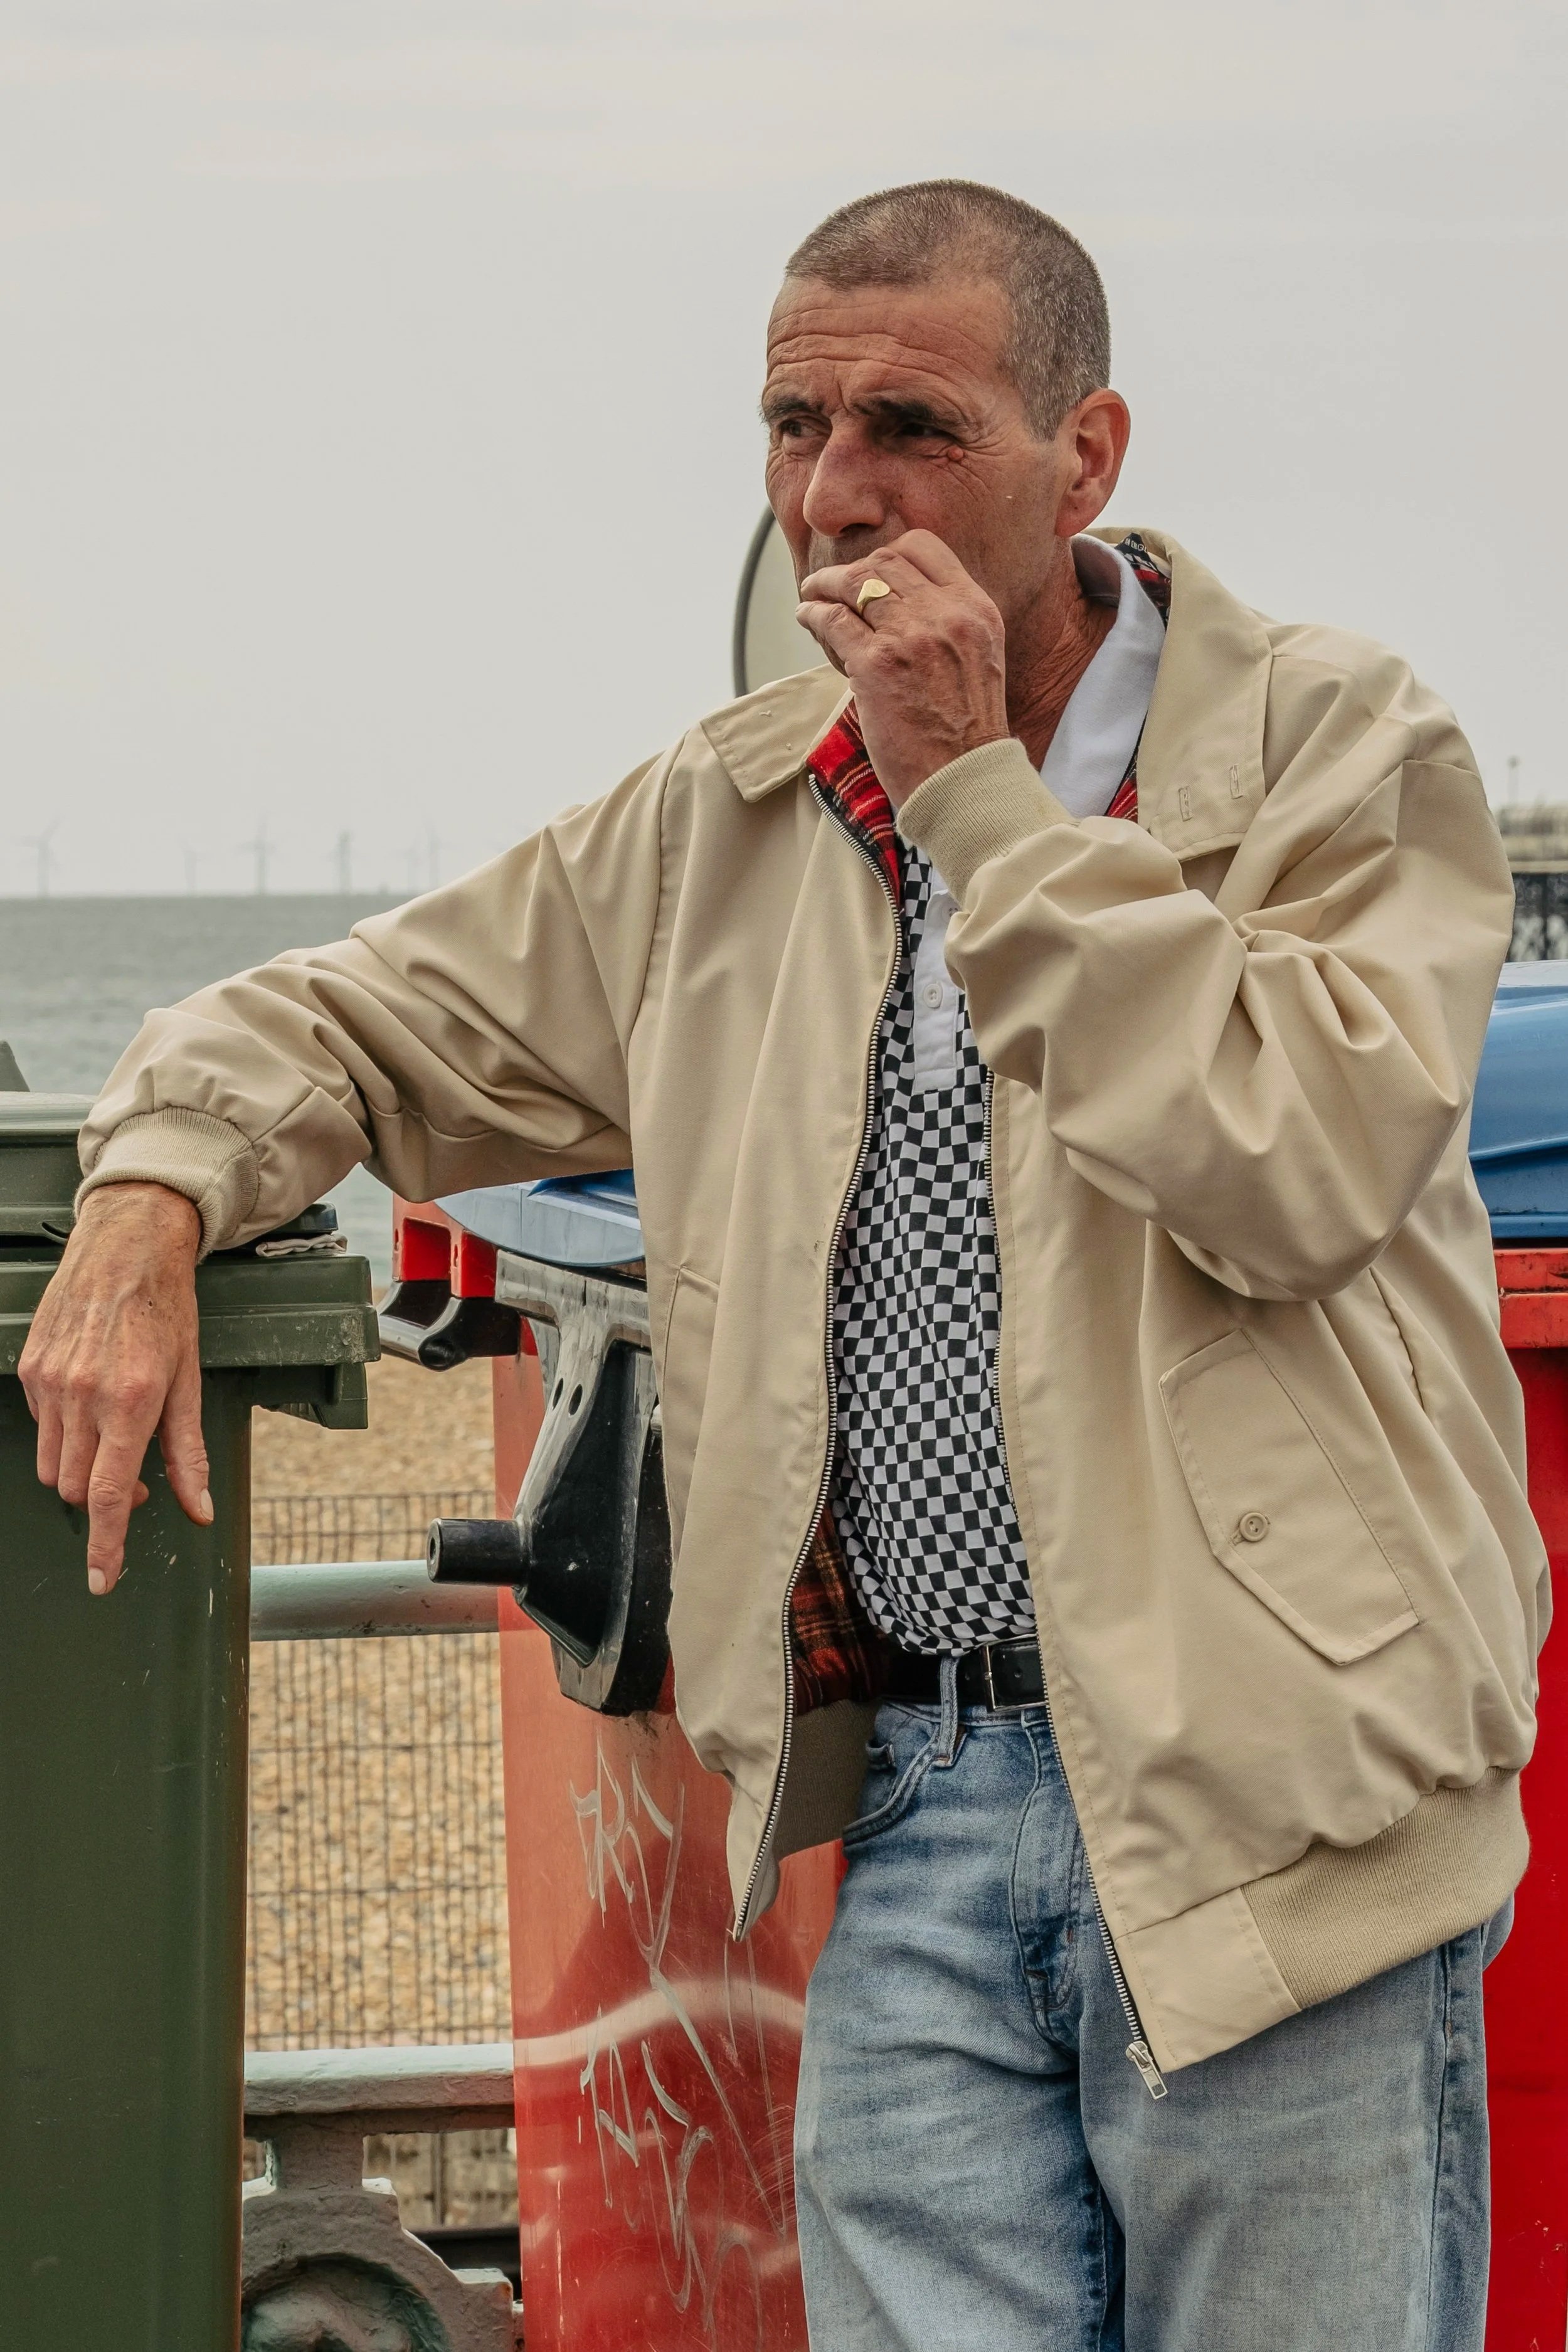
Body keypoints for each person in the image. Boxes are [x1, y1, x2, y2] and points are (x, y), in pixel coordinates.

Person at [20, 181, 1544, 2351]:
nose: (836, 496)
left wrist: (978, 806)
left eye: (909, 425)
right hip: (912, 1818)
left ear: (1084, 457)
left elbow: (1284, 1161)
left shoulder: (1335, 750)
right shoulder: (724, 822)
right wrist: (150, 1196)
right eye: (790, 424)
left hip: (1283, 1840)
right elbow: (347, 1018)